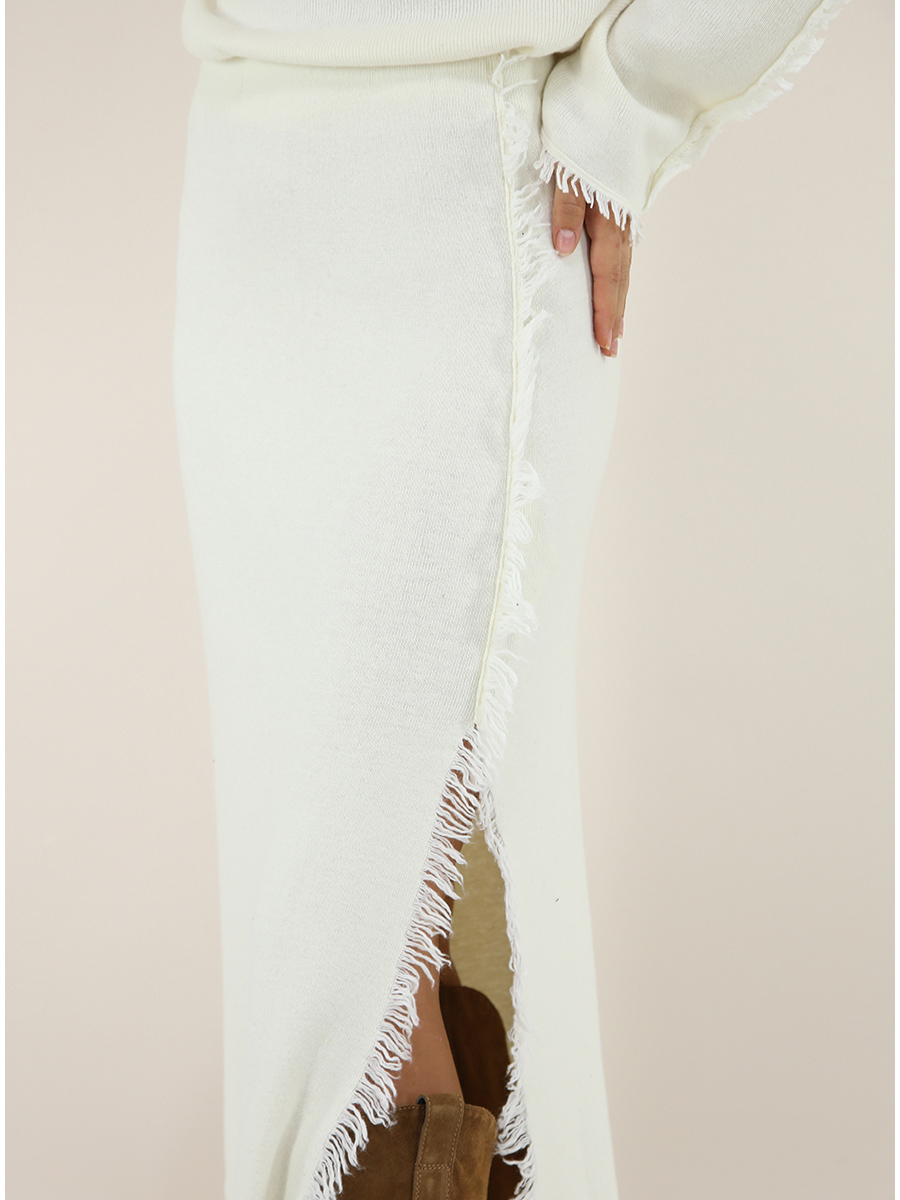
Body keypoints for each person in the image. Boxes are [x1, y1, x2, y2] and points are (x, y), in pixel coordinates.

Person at [171, 3, 852, 1198]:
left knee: (368, 930)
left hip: (465, 202)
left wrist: (630, 106)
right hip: (247, 182)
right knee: (309, 920)